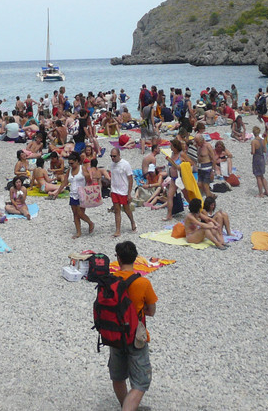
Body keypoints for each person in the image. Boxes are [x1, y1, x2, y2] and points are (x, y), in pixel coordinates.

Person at [107, 240, 158, 411]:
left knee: (118, 376)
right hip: (135, 336)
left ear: (118, 259)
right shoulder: (143, 283)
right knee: (141, 382)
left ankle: (127, 406)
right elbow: (151, 311)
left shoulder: (110, 281)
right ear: (135, 258)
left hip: (114, 333)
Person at [109, 150, 136, 238]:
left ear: (119, 155)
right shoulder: (112, 165)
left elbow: (130, 179)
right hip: (115, 190)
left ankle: (132, 221)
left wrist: (129, 193)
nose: (112, 158)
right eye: (111, 156)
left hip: (123, 190)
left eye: (114, 156)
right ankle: (118, 230)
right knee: (117, 210)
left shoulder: (125, 164)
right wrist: (111, 189)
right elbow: (112, 177)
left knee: (126, 209)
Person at [251, 125, 268, 197]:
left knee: (258, 176)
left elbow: (253, 152)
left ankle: (260, 193)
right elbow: (265, 150)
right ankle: (266, 191)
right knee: (262, 176)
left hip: (256, 158)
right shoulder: (262, 140)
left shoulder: (254, 141)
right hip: (262, 158)